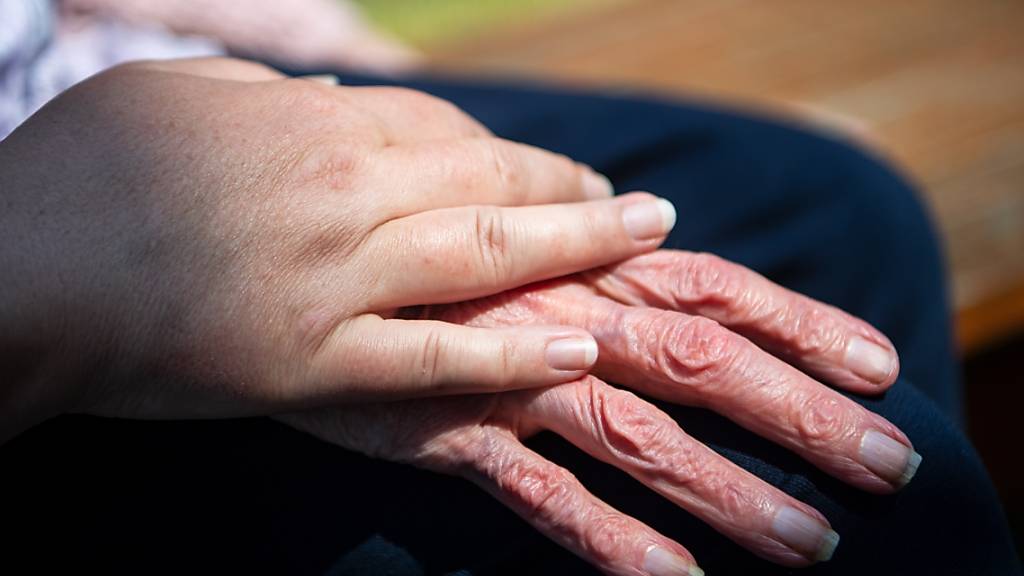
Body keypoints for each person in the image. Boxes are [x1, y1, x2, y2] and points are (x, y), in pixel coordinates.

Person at [0, 2, 1019, 575]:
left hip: (124, 81)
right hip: (44, 267)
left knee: (831, 213)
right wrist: (43, 283)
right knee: (878, 495)